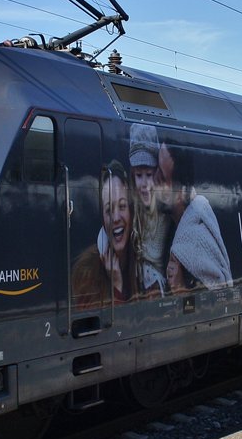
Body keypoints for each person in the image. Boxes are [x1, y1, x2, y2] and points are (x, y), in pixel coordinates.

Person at [155, 140, 232, 291]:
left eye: (162, 178)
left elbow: (217, 295)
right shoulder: (167, 230)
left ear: (181, 192)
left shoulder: (195, 239)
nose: (154, 180)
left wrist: (180, 286)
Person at [72, 161, 140, 307]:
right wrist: (117, 285)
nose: (116, 218)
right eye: (109, 210)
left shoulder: (145, 264)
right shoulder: (86, 272)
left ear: (131, 210)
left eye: (122, 206)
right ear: (102, 218)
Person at [127, 124, 170, 296]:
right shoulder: (130, 213)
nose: (144, 185)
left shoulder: (167, 215)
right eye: (139, 175)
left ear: (157, 173)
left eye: (149, 175)